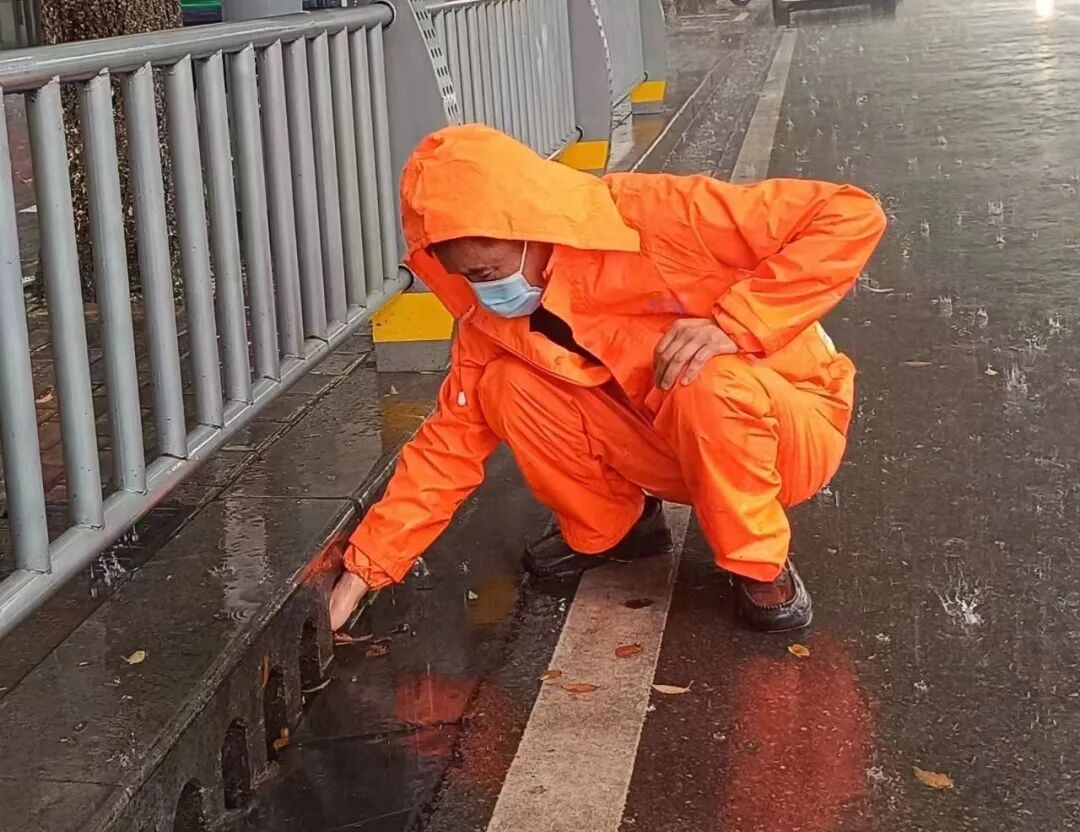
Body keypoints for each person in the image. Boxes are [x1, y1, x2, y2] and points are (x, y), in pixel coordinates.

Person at [329, 124, 886, 634]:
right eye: (467, 277)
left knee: (703, 375)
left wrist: (736, 323)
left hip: (787, 432)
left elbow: (850, 214)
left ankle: (760, 564)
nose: (486, 290)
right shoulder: (490, 322)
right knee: (505, 387)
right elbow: (448, 446)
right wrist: (366, 568)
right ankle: (618, 529)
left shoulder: (653, 213)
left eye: (489, 271)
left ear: (533, 225)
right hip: (672, 443)